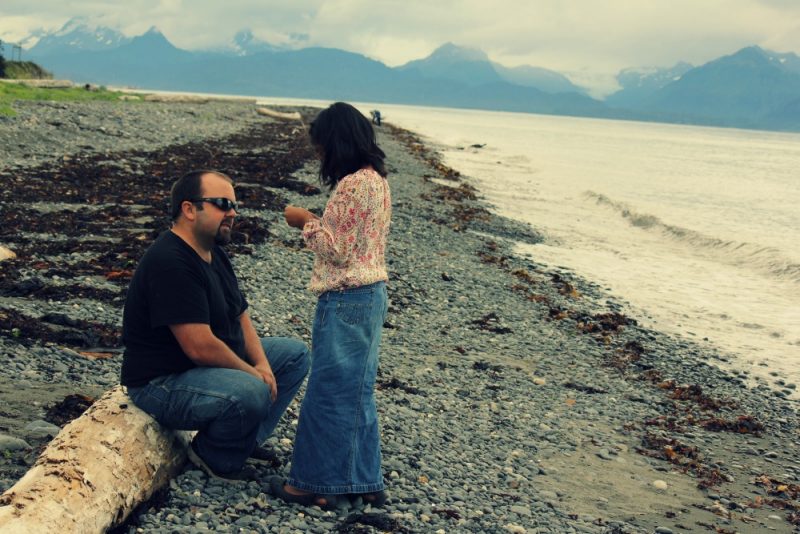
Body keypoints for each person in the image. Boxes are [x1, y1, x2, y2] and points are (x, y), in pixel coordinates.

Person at [120, 169, 310, 481]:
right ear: (189, 209)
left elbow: (241, 315)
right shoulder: (171, 261)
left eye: (235, 205)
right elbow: (199, 347)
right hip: (160, 383)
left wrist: (262, 363)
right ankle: (214, 457)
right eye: (222, 203)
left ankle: (243, 442)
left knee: (294, 355)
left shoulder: (212, 251)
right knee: (251, 391)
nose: (232, 212)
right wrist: (253, 375)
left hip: (199, 371)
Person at [268, 102, 391, 509]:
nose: (320, 154)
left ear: (336, 141)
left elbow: (335, 249)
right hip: (371, 293)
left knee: (328, 391)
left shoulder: (352, 184)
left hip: (346, 297)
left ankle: (310, 482)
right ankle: (364, 480)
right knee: (357, 391)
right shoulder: (377, 181)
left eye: (321, 146)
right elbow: (354, 242)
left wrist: (304, 219)